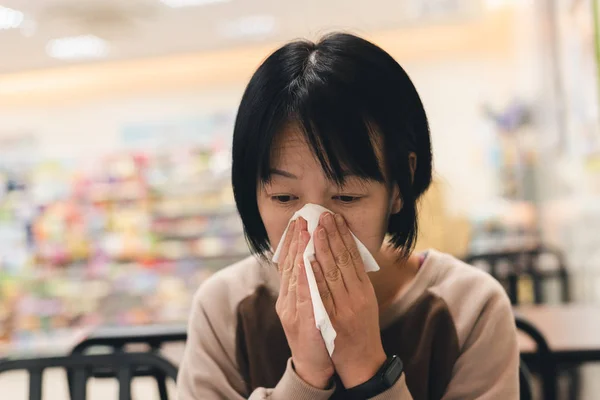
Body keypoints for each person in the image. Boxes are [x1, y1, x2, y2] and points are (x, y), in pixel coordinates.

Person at [177, 32, 519, 400]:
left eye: (347, 196)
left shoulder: (470, 309)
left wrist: (366, 366)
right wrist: (306, 377)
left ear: (398, 188)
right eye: (284, 197)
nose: (314, 224)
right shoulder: (225, 309)